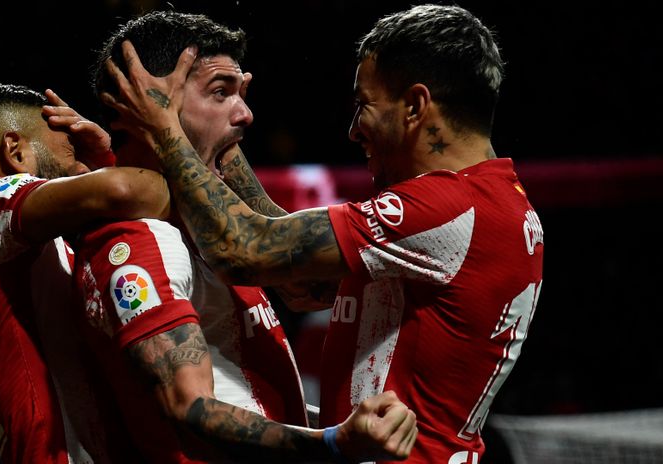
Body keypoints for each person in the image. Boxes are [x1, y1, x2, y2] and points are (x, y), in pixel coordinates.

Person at [100, 4, 544, 463]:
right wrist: (223, 141)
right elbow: (300, 284)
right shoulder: (491, 202)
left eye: (364, 105)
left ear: (415, 106)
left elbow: (243, 250)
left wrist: (167, 125)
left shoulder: (446, 209)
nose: (353, 130)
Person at [74, 10, 417, 463]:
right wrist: (333, 442)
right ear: (148, 106)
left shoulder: (209, 235)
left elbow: (303, 288)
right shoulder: (140, 241)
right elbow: (189, 411)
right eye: (220, 93)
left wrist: (341, 430)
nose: (247, 114)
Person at [0, 82, 171, 463]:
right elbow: (128, 192)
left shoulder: (27, 246)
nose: (80, 162)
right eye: (70, 147)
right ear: (16, 152)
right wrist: (108, 159)